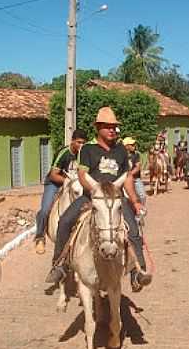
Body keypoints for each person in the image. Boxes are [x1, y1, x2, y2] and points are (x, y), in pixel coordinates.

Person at [46, 107, 152, 292]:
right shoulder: (87, 149)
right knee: (64, 222)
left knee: (133, 229)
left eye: (114, 127)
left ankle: (138, 270)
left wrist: (134, 201)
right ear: (98, 128)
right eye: (107, 127)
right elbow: (82, 174)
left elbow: (126, 177)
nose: (112, 130)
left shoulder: (120, 149)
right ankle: (59, 265)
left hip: (116, 198)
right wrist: (96, 191)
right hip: (91, 196)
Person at [34, 130, 86, 254]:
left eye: (83, 143)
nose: (81, 146)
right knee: (45, 209)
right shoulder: (63, 153)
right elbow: (53, 175)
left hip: (75, 185)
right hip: (55, 184)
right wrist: (68, 182)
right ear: (72, 141)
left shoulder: (84, 154)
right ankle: (40, 237)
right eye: (79, 142)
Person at [123, 136, 146, 204]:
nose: (134, 146)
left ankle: (140, 211)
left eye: (134, 144)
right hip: (124, 180)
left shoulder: (136, 155)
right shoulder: (121, 155)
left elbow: (138, 167)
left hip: (136, 179)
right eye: (132, 145)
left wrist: (130, 174)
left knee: (142, 196)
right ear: (126, 146)